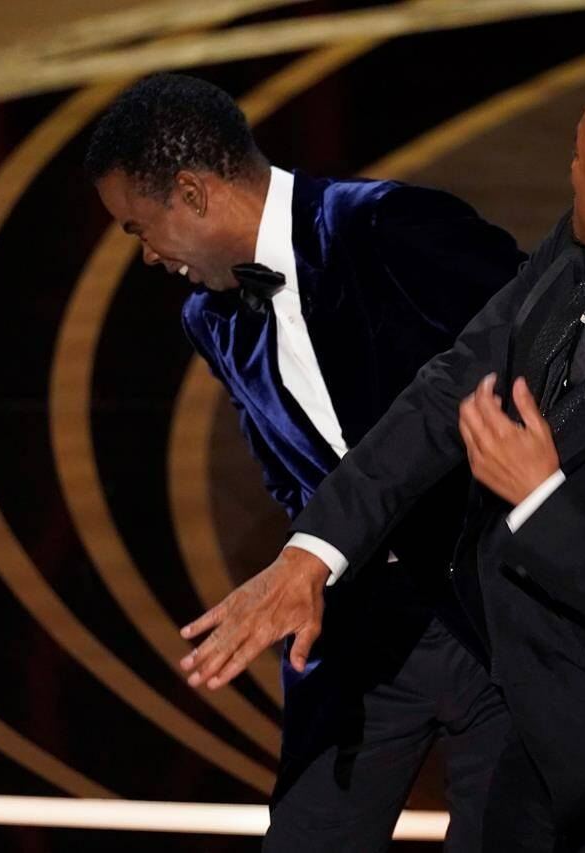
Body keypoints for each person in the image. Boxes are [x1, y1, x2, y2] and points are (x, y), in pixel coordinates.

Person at [179, 74, 585, 851]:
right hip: (538, 734)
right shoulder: (577, 252)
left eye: (577, 158)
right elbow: (448, 387)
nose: (569, 173)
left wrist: (541, 498)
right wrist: (313, 552)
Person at [85, 73, 526, 851]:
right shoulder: (210, 319)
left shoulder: (392, 225)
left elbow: (550, 364)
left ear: (191, 191)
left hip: (497, 613)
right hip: (356, 623)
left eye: (137, 227)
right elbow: (289, 473)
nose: (147, 255)